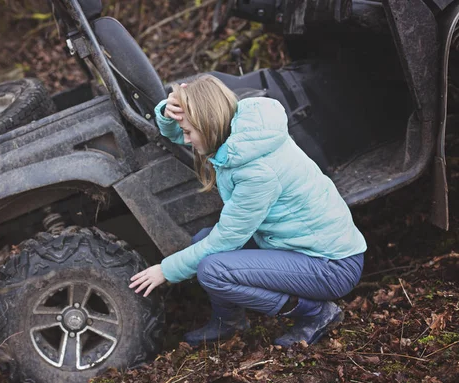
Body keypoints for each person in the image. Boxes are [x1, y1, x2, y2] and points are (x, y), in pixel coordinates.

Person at [129, 74, 366, 347]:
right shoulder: (242, 130)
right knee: (201, 243)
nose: (186, 139)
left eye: (189, 132)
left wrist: (166, 270)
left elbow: (227, 240)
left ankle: (317, 313)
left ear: (208, 124)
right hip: (296, 246)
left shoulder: (256, 170)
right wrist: (168, 114)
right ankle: (228, 322)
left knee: (213, 269)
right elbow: (183, 133)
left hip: (330, 265)